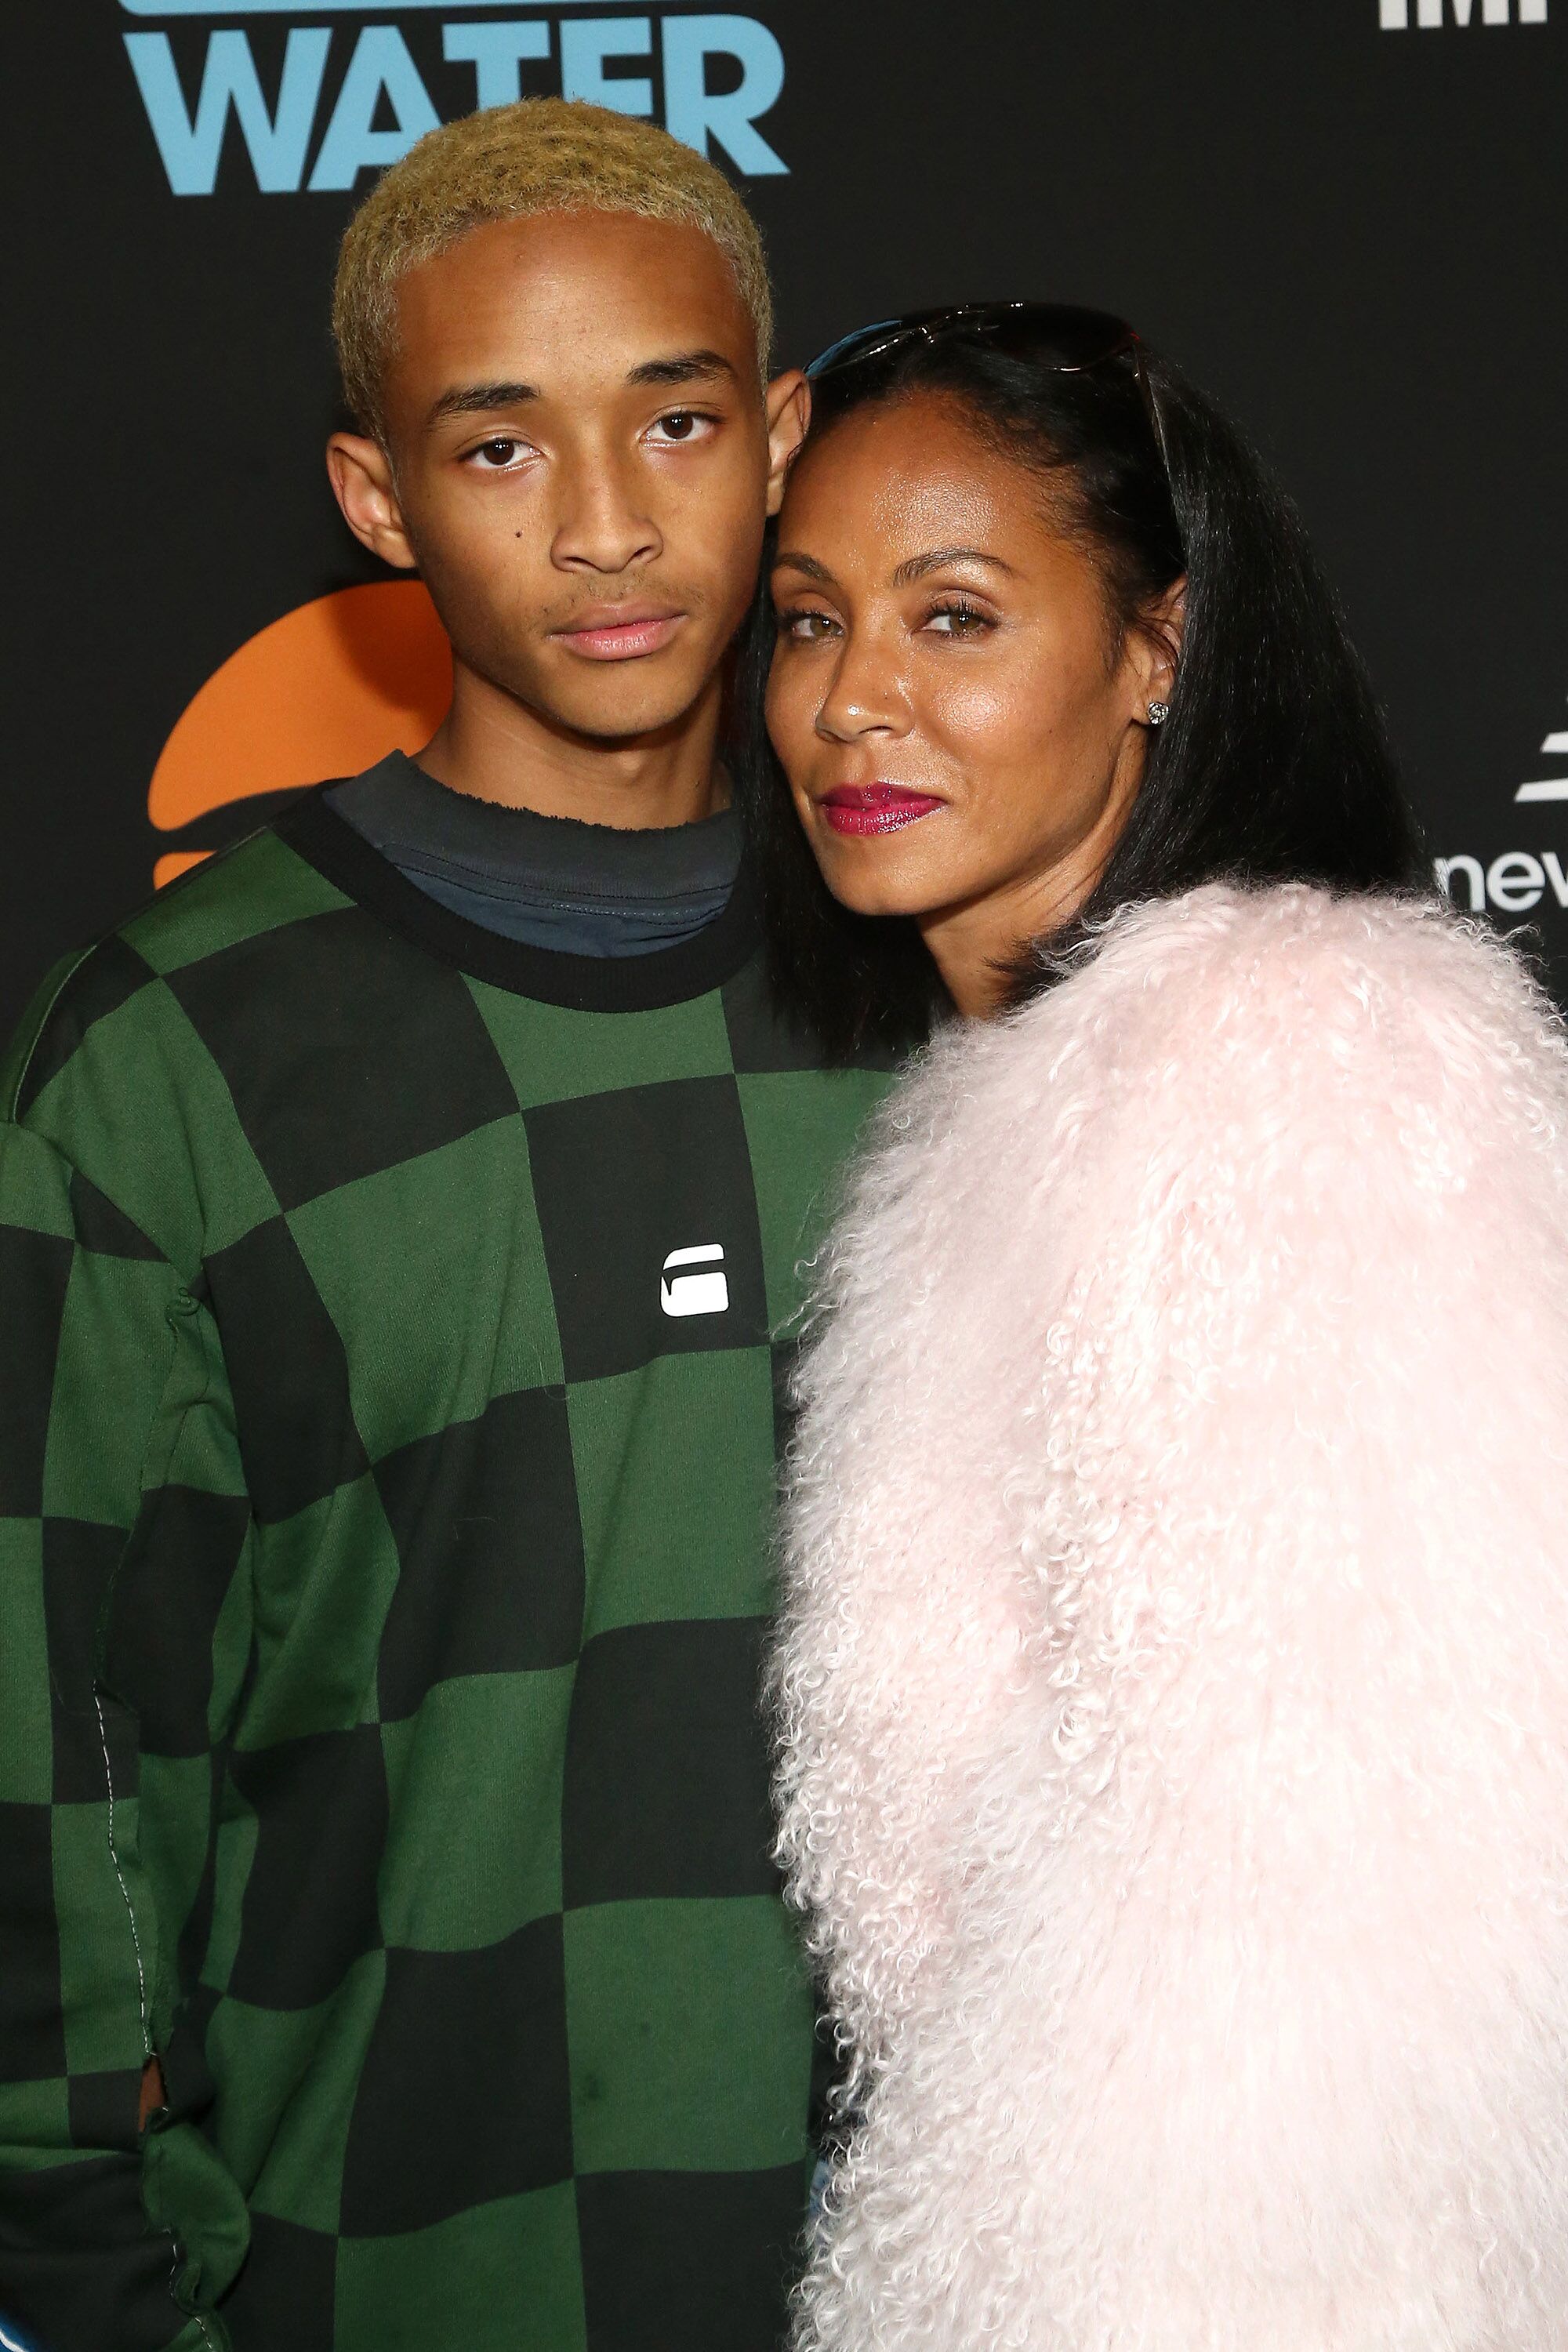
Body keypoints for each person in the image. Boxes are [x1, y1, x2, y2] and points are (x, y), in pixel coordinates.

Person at [0, 101, 897, 2352]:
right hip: (399, 2278)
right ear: (376, 500)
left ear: (779, 437)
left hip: (965, 2288)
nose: (607, 528)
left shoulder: (965, 981)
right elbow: (54, 1780)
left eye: (674, 421)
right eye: (501, 453)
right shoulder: (170, 1058)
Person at [757, 305, 1568, 2348]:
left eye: (954, 618)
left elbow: (1295, 1990)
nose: (856, 701)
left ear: (1157, 649)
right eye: (806, 619)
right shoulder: (1039, 1111)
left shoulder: (1297, 1083)